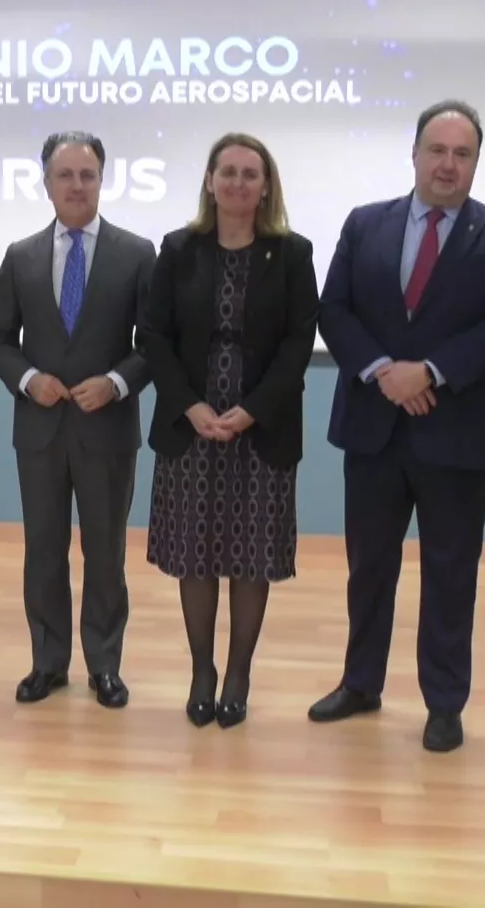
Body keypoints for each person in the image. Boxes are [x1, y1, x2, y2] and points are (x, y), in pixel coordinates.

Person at [310, 99, 485, 752]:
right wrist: (384, 371)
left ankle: (443, 701)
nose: (448, 164)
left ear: (475, 163)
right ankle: (360, 683)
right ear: (414, 153)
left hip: (454, 432)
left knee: (450, 573)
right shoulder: (365, 224)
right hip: (374, 427)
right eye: (438, 150)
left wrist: (428, 371)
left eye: (462, 154)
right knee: (368, 567)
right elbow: (335, 309)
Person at [139, 132, 318, 729]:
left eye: (250, 173)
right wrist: (190, 406)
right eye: (228, 172)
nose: (239, 183)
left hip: (259, 426)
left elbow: (298, 343)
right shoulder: (179, 248)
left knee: (250, 557)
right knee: (195, 553)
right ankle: (201, 670)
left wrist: (253, 410)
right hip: (192, 423)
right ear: (209, 182)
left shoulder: (291, 253)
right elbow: (154, 338)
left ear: (266, 185)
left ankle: (238, 673)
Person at [0, 131, 156, 709]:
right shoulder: (22, 254)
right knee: (44, 549)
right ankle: (48, 662)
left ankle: (105, 663)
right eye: (65, 175)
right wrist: (30, 381)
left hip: (108, 430)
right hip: (40, 430)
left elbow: (156, 343)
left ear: (102, 180)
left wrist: (117, 381)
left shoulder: (137, 253)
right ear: (47, 182)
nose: (76, 186)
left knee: (105, 552)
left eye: (87, 175)